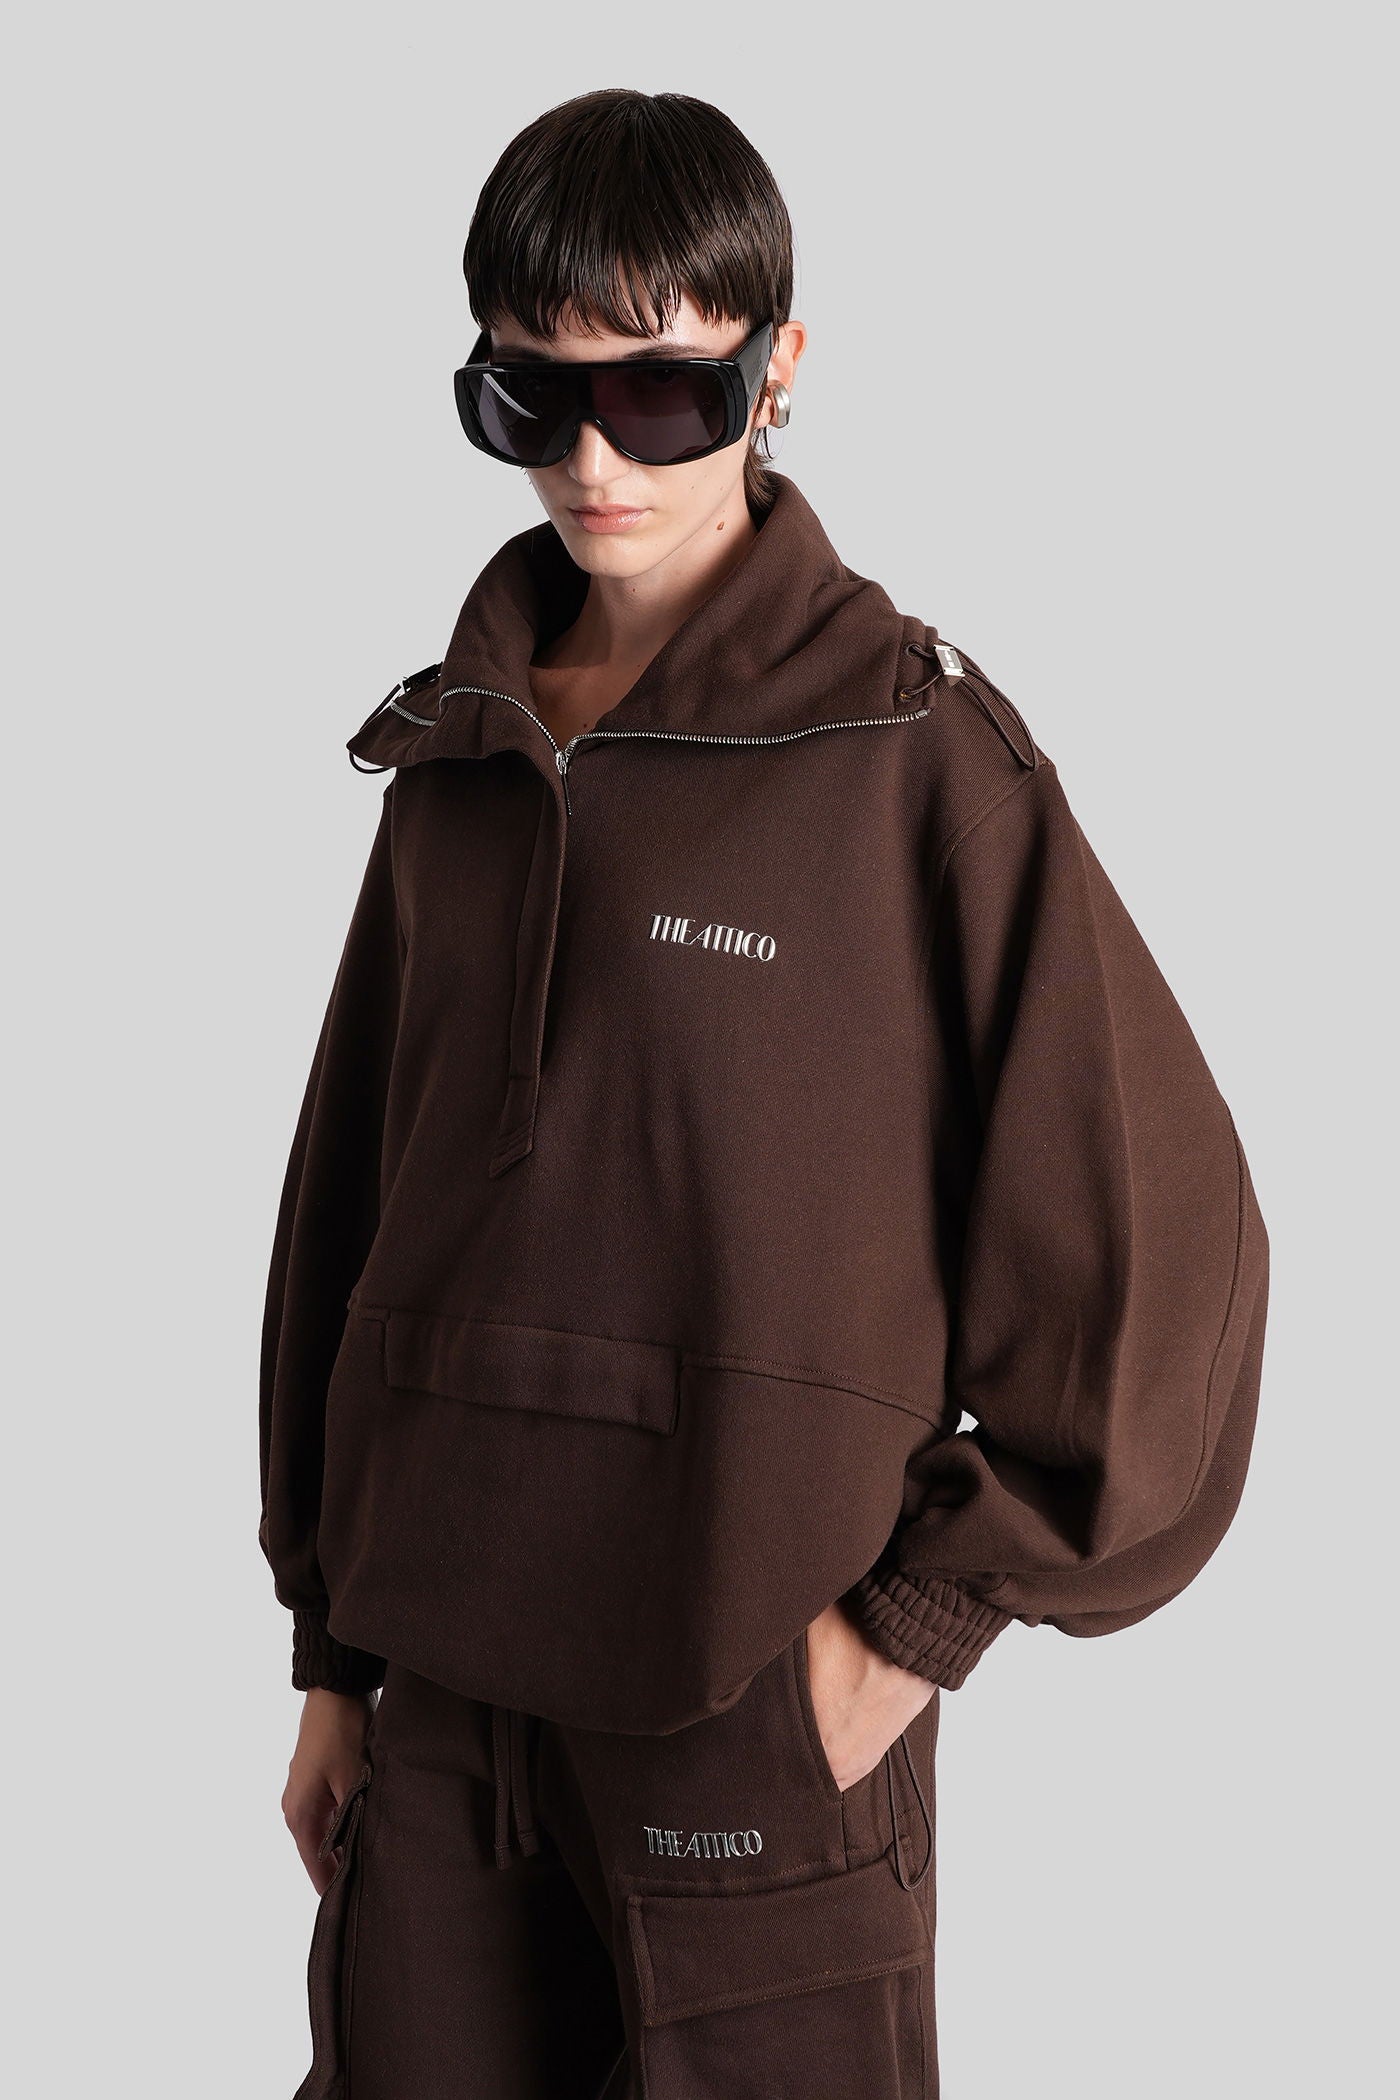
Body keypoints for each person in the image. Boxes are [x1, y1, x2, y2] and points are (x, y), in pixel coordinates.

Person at [258, 88, 1270, 2100]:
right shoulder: (455, 763)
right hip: (439, 1697)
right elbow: (349, 1214)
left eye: (662, 394)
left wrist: (914, 1622)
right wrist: (331, 1655)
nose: (595, 462)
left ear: (778, 366)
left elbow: (1161, 1242)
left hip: (745, 1686)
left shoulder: (916, 754)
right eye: (530, 399)